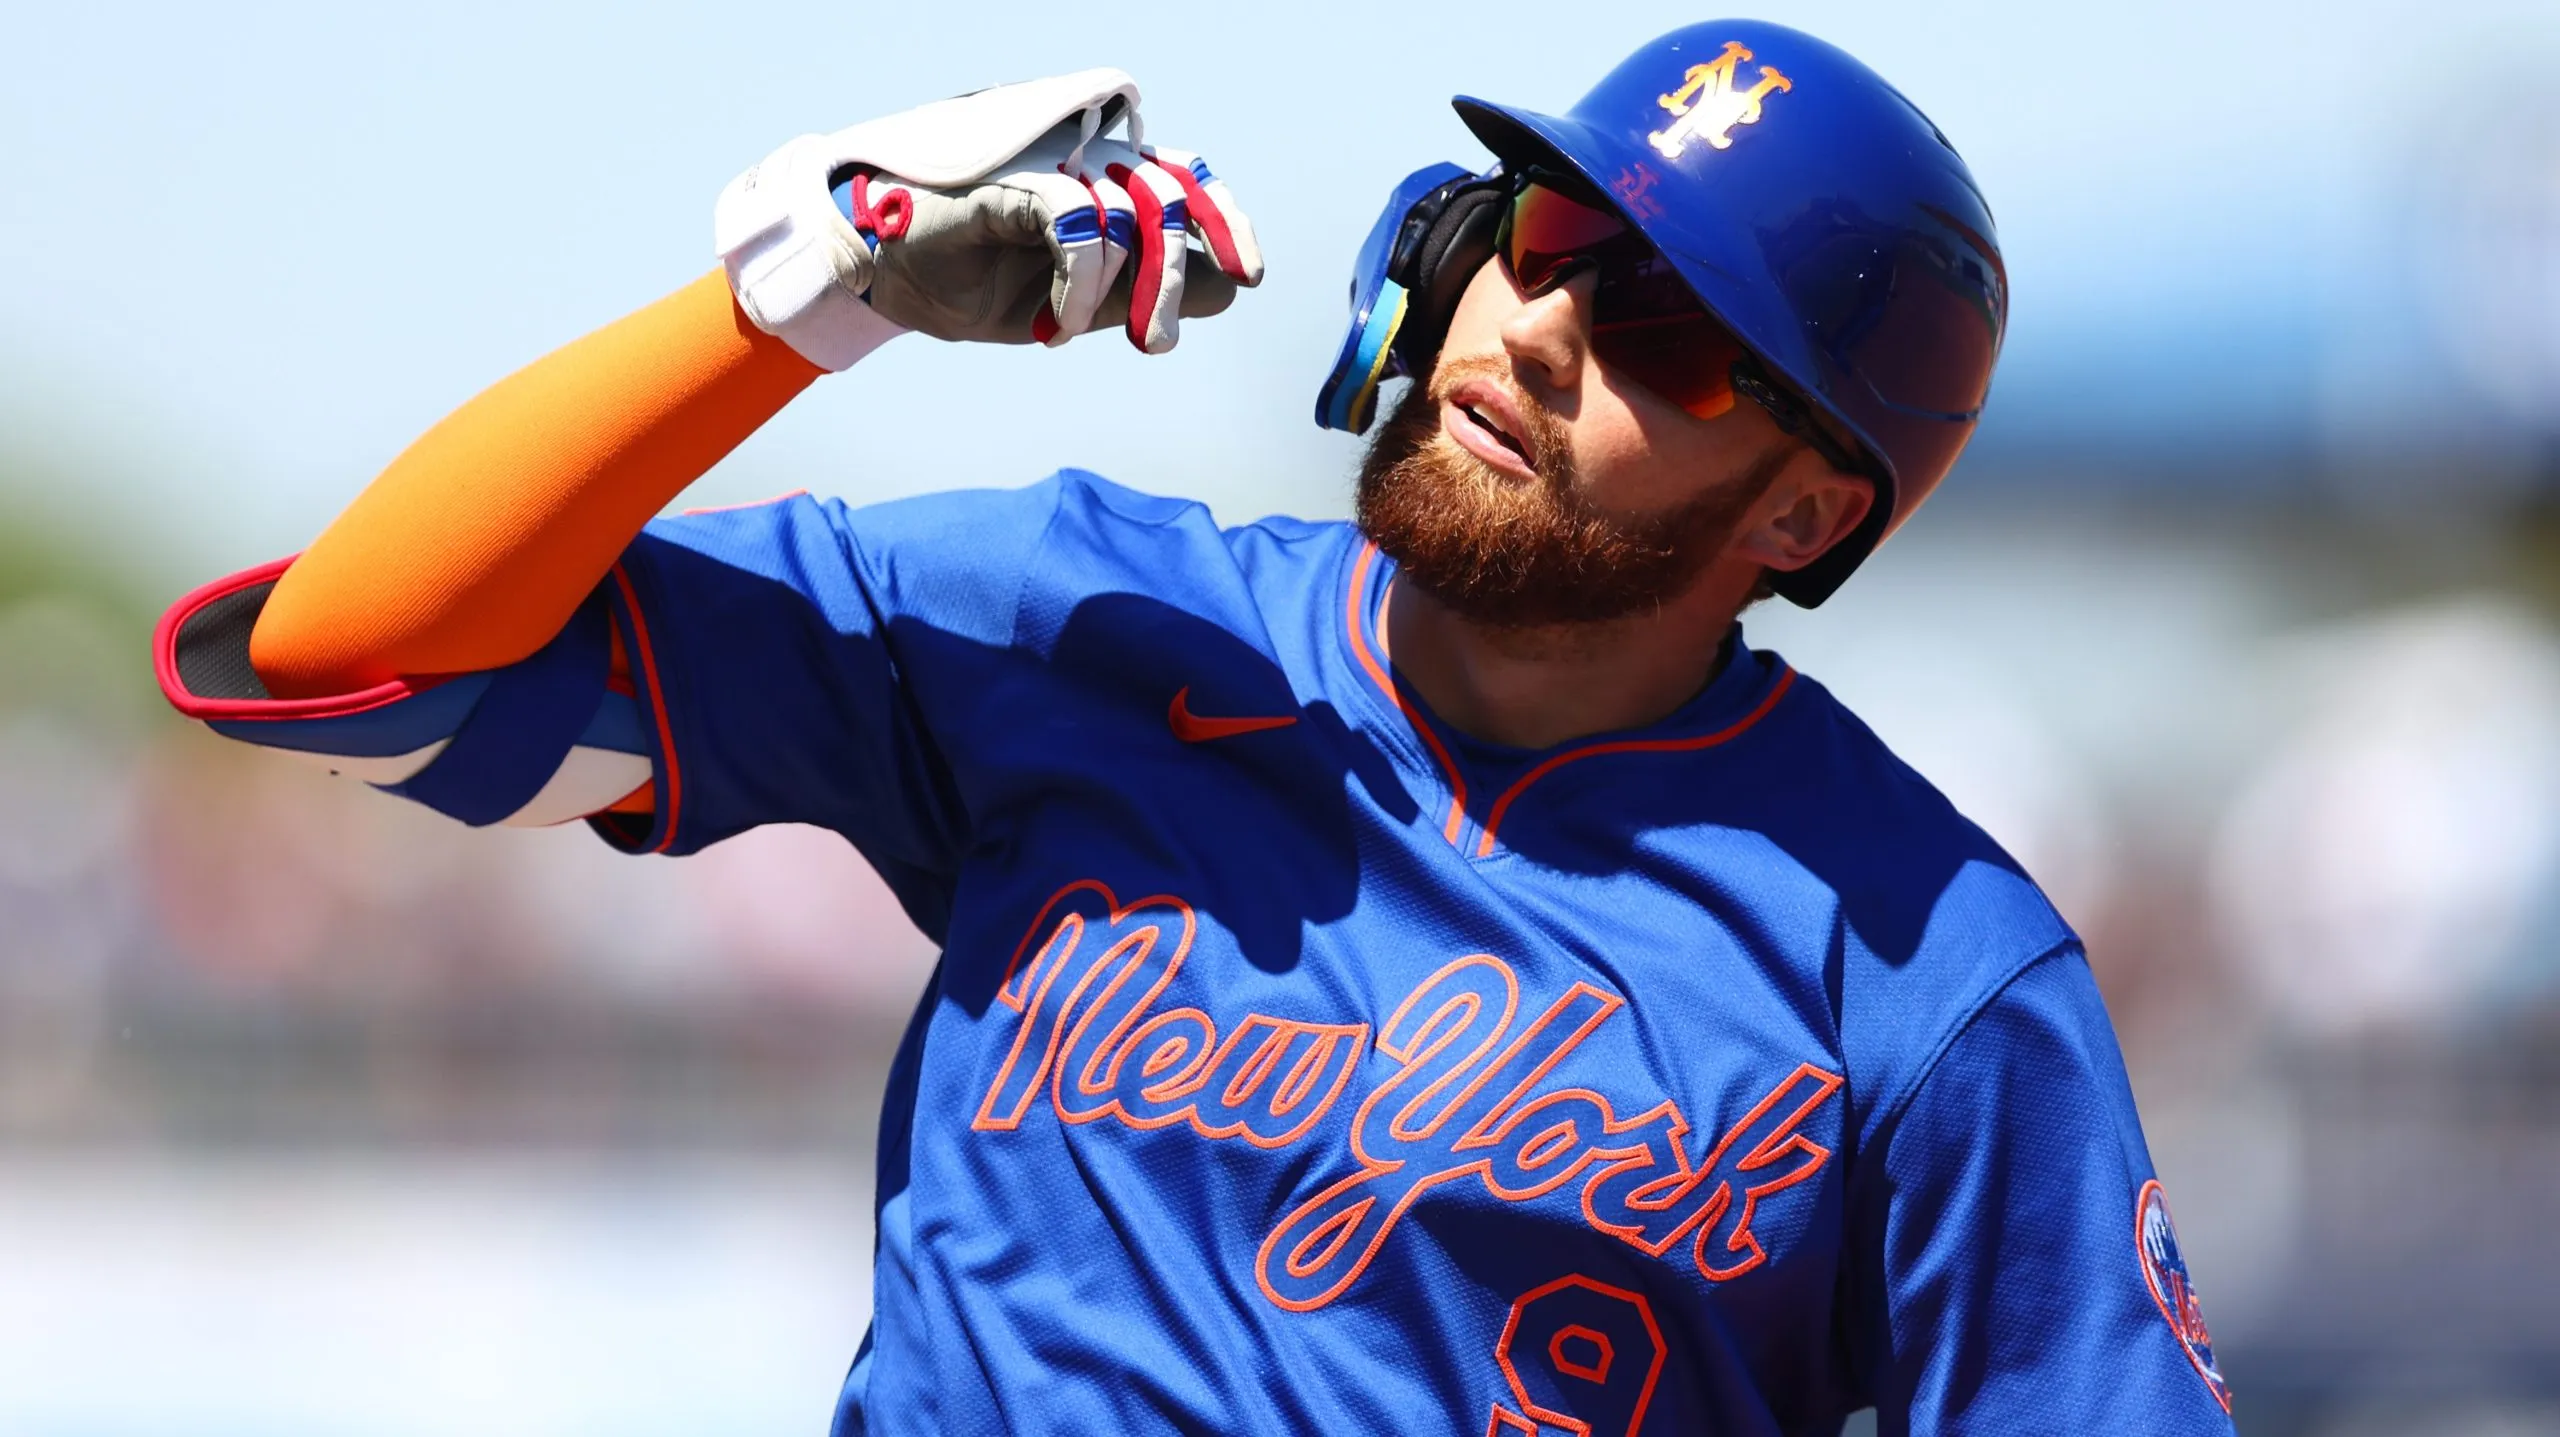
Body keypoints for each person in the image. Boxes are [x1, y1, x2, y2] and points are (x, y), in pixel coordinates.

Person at [154, 22, 2239, 1435]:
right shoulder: (1089, 617)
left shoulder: (1926, 970)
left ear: (1799, 508)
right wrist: (798, 301)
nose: (1539, 327)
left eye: (1671, 335)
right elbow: (360, 665)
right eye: (1547, 236)